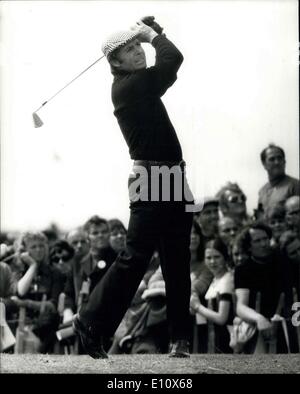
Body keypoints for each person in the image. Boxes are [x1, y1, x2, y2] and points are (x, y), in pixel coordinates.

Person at [73, 16, 194, 359]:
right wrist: (154, 35)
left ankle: (179, 340)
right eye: (129, 49)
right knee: (135, 257)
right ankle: (89, 321)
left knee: (176, 257)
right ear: (115, 62)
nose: (138, 52)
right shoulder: (130, 86)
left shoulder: (135, 82)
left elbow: (166, 61)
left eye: (138, 46)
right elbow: (173, 60)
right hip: (151, 177)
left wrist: (156, 34)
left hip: (171, 176)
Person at [234, 222, 294, 353]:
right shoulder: (242, 270)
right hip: (258, 330)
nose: (263, 244)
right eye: (257, 241)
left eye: (266, 239)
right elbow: (240, 307)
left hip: (287, 327)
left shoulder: (283, 261)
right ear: (249, 246)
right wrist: (259, 319)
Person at [9, 232, 65, 353]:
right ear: (24, 250)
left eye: (41, 246)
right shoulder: (17, 270)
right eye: (33, 247)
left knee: (52, 319)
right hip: (19, 321)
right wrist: (32, 266)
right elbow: (20, 291)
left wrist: (25, 303)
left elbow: (53, 305)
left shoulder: (55, 272)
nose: (38, 250)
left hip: (44, 325)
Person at [190, 239, 235, 353]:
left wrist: (197, 307)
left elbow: (221, 318)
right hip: (213, 340)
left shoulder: (227, 279)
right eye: (208, 258)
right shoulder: (215, 280)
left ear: (225, 257)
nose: (212, 262)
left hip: (227, 339)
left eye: (217, 257)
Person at [258, 144, 300, 215]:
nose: (277, 162)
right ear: (264, 164)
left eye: (279, 158)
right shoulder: (262, 191)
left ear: (284, 161)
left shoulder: (295, 185)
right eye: (272, 159)